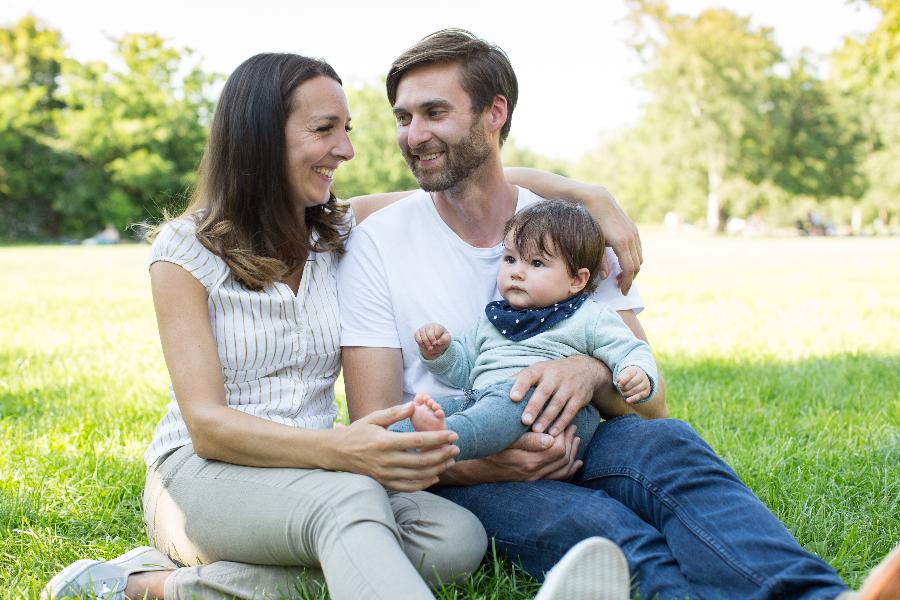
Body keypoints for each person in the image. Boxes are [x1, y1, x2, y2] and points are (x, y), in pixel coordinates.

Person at [42, 51, 643, 600]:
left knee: (455, 538)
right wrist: (341, 450)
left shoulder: (333, 232)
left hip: (314, 472)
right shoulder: (185, 250)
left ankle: (151, 589)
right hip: (203, 478)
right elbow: (207, 426)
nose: (347, 150)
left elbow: (473, 181)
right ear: (260, 137)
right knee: (351, 502)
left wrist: (586, 193)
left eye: (347, 130)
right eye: (325, 129)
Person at [338, 28, 900, 600]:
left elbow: (651, 405)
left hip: (583, 440)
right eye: (403, 117)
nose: (414, 134)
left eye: (435, 112)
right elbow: (376, 428)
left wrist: (591, 372)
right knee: (605, 530)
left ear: (495, 113)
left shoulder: (569, 230)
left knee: (671, 448)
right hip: (459, 468)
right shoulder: (378, 244)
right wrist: (489, 464)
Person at [390, 200, 658, 462]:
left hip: (551, 412)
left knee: (509, 399)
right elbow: (464, 372)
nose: (517, 272)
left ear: (577, 280)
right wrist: (440, 352)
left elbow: (631, 349)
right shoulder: (494, 319)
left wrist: (635, 371)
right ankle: (389, 440)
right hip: (483, 403)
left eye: (537, 263)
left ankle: (442, 440)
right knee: (441, 410)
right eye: (510, 259)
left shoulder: (589, 316)